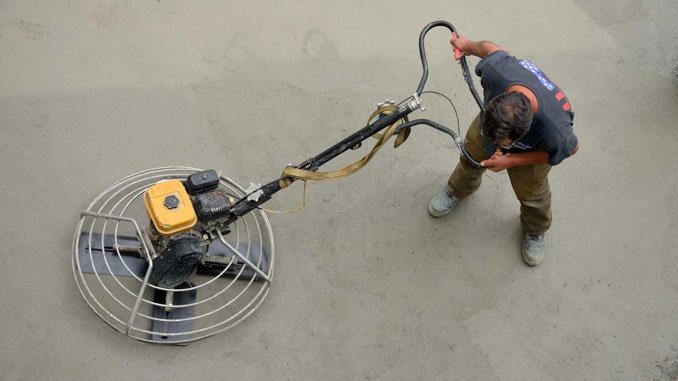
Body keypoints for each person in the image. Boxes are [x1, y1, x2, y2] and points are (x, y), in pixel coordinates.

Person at [429, 34, 579, 266]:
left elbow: (570, 149)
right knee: (471, 156)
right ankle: (457, 190)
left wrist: (510, 161)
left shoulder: (554, 130)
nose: (494, 147)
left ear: (524, 132)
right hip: (494, 126)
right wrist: (466, 45)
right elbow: (491, 48)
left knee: (533, 195)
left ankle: (535, 229)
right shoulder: (497, 71)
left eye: (502, 143)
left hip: (531, 154)